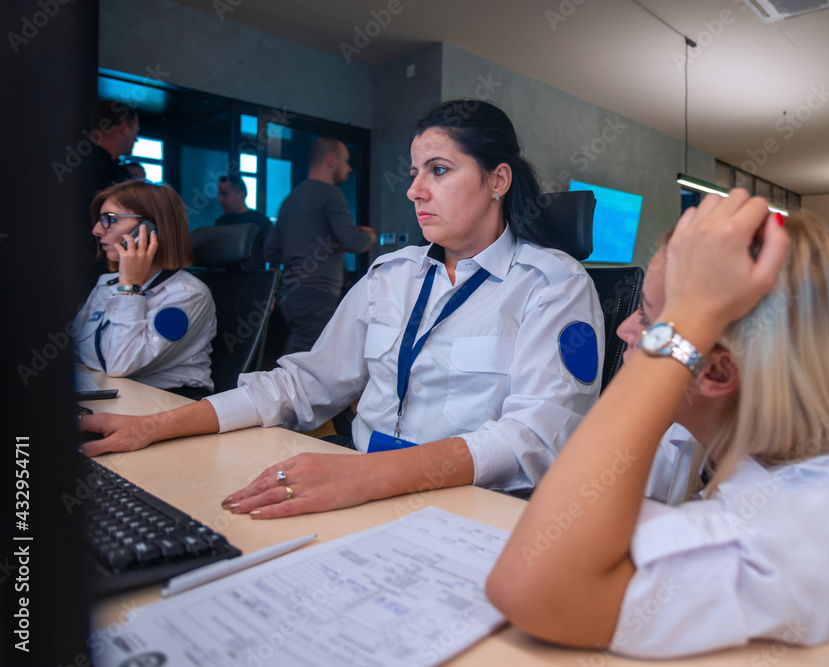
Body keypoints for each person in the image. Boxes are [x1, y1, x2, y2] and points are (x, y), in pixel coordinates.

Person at [487, 191, 829, 659]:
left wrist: (682, 328)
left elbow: (535, 584)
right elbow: (576, 512)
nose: (624, 330)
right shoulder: (687, 434)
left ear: (717, 371)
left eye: (650, 321)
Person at [79, 99, 604, 517]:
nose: (415, 190)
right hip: (363, 486)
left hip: (468, 503)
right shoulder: (391, 275)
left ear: (498, 180)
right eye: (416, 171)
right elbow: (303, 384)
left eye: (439, 170)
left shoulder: (552, 285)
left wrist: (364, 476)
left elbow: (534, 438)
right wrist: (155, 426)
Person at [73, 181, 217, 399]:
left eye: (109, 219)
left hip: (168, 402)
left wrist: (130, 286)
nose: (96, 230)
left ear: (151, 229)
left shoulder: (188, 294)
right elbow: (76, 349)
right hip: (118, 394)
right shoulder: (108, 282)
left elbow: (120, 363)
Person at [265, 138, 377, 354]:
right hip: (317, 293)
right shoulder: (331, 194)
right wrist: (370, 237)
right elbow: (353, 242)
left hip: (291, 295)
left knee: (305, 355)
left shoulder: (290, 199)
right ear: (331, 161)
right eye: (346, 161)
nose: (349, 167)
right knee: (307, 362)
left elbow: (271, 251)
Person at [79, 101, 141, 284]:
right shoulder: (80, 167)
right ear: (123, 128)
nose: (136, 139)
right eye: (135, 131)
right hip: (84, 262)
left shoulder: (122, 173)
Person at [215, 174, 274, 270]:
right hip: (223, 281)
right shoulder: (220, 222)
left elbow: (274, 254)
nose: (220, 199)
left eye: (225, 194)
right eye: (220, 194)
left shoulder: (260, 220)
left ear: (242, 195)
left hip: (254, 281)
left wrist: (272, 280)